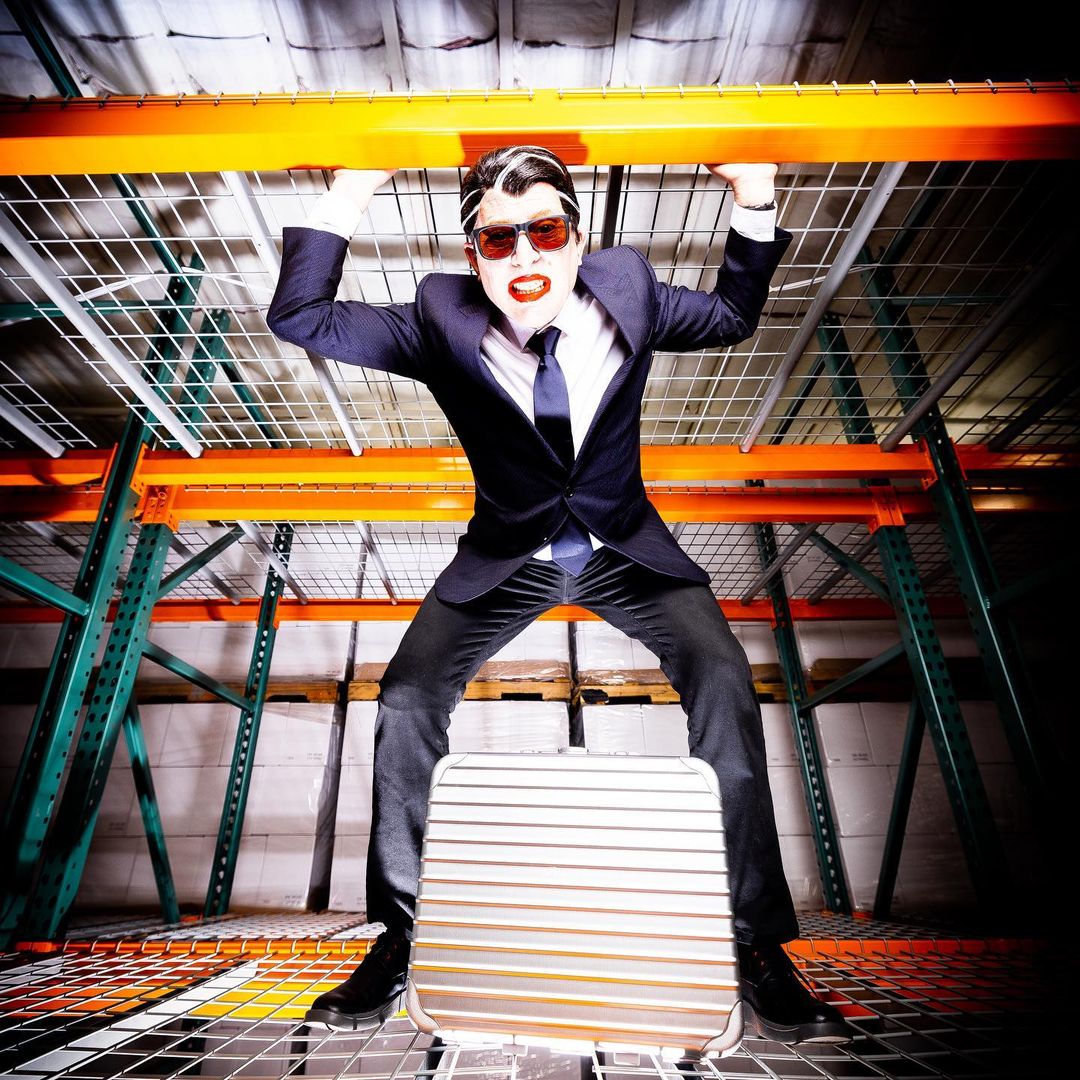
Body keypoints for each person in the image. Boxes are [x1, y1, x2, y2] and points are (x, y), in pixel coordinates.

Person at [267, 146, 849, 1045]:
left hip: (624, 549)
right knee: (409, 695)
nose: (526, 256)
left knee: (723, 678)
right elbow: (301, 315)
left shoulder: (630, 290)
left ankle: (753, 942)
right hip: (509, 555)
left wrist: (755, 194)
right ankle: (406, 935)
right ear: (474, 258)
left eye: (545, 231)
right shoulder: (439, 319)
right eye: (500, 240)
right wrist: (350, 190)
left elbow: (735, 314)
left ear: (577, 241)